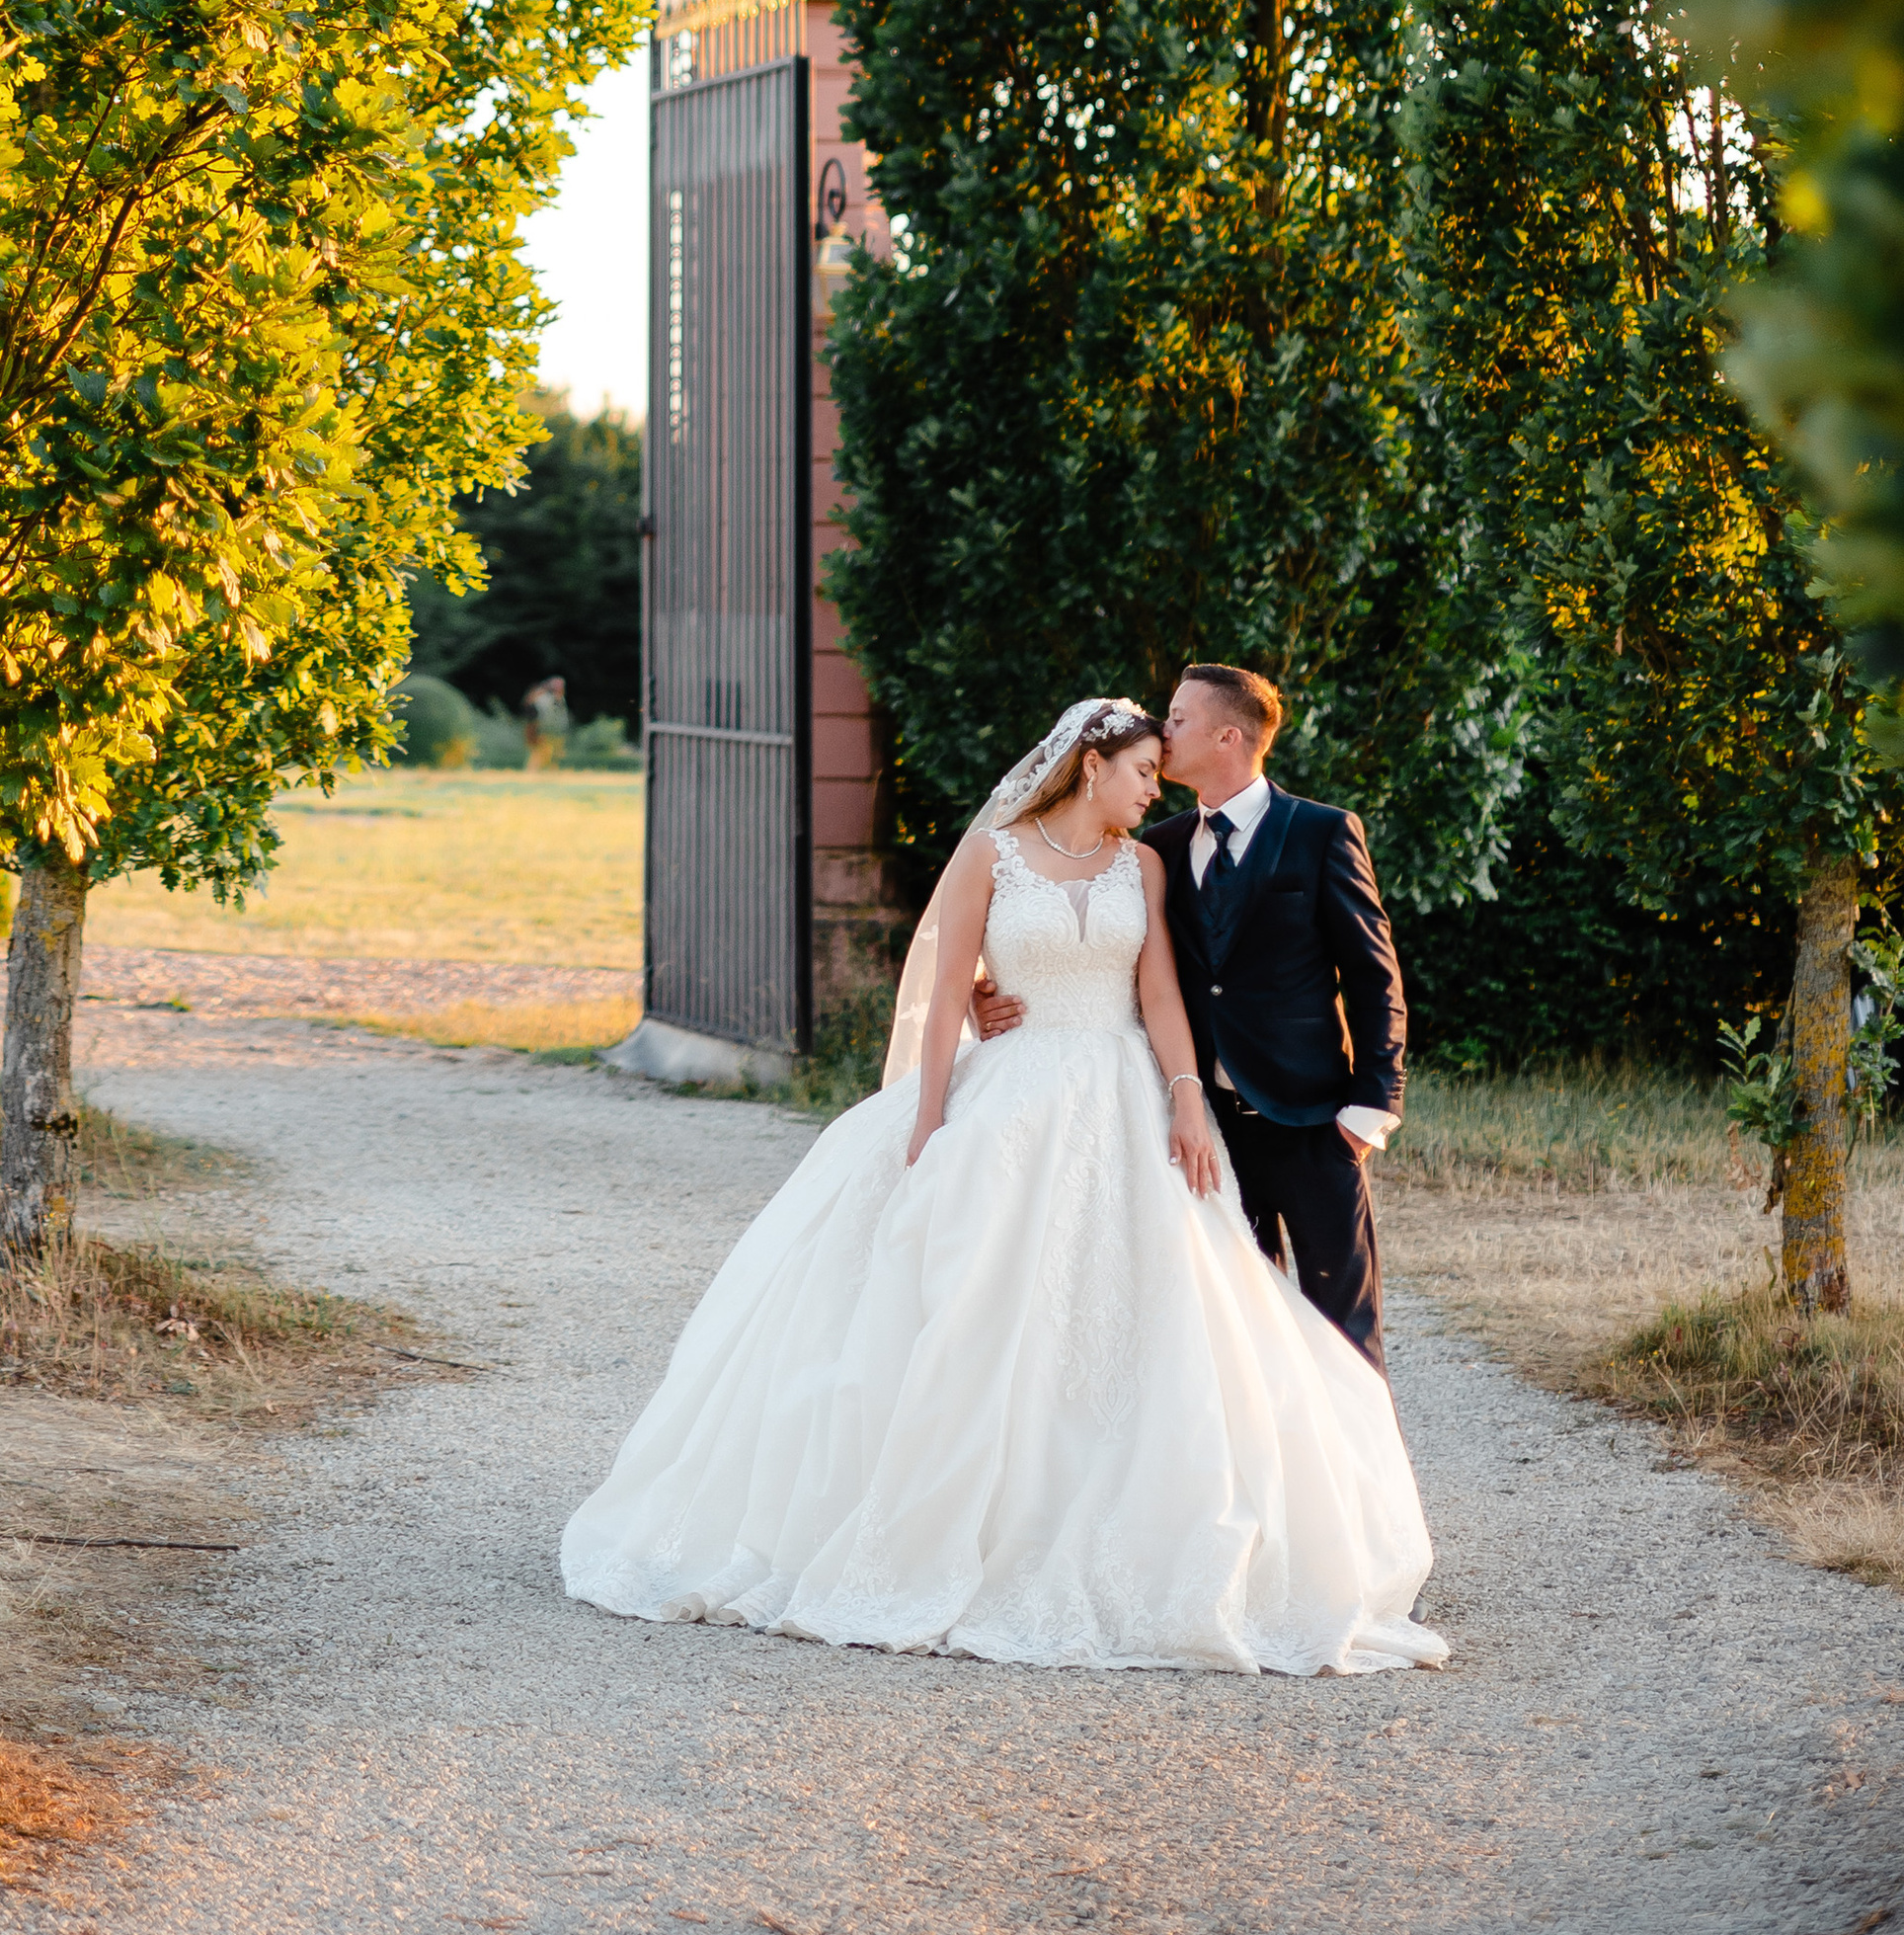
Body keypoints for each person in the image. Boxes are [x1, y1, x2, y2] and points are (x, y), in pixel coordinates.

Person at [560, 697, 1445, 1675]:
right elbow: (947, 995)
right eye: (1142, 766)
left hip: (1122, 1093)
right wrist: (930, 1117)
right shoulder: (996, 851)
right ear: (1090, 762)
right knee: (979, 1296)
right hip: (1012, 1098)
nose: (1154, 784)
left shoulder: (1143, 860)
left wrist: (1188, 1097)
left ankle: (1300, 1513)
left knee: (1170, 1308)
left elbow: (1157, 990)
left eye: (1163, 764)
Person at [973, 665, 1402, 1366]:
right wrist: (983, 989)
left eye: (1177, 718)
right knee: (1232, 1333)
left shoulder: (1321, 833)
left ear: (1227, 735)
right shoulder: (1157, 848)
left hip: (1314, 1125)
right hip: (1203, 1132)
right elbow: (1077, 933)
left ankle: (1363, 1479)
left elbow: (1374, 977)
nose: (1163, 731)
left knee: (1343, 1336)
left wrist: (1369, 1112)